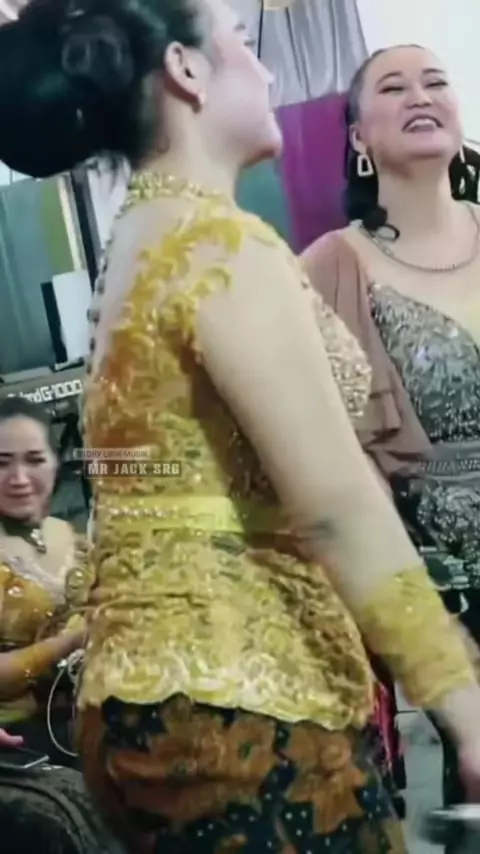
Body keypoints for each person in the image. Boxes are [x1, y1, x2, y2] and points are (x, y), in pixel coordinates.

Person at [3, 5, 480, 853]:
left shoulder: (139, 241)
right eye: (246, 47)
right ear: (187, 70)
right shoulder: (216, 243)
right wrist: (463, 703)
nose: (265, 73)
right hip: (238, 698)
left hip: (152, 700)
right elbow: (336, 504)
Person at [302, 43, 480, 830]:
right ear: (358, 138)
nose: (421, 95)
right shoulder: (329, 269)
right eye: (394, 87)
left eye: (435, 81)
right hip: (447, 583)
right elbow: (325, 449)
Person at [0, 396, 86, 764]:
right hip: (17, 740)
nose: (19, 479)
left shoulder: (71, 534)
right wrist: (70, 642)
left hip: (89, 714)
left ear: (55, 463)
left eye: (34, 460)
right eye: (2, 464)